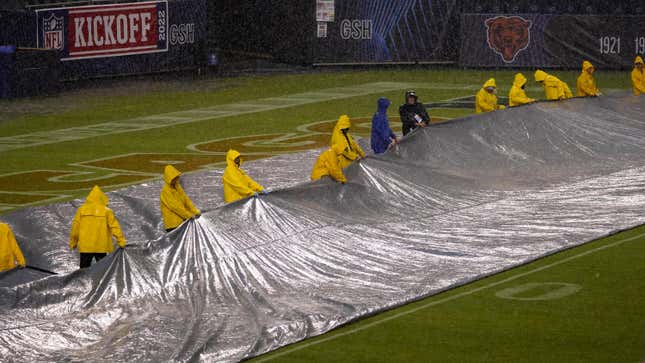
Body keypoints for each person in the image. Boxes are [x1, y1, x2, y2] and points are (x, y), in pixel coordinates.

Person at [69, 186, 126, 268]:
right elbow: (115, 227)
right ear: (102, 197)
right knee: (102, 271)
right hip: (101, 247)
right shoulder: (107, 211)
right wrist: (121, 241)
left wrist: (73, 242)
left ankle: (84, 281)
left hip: (86, 247)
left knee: (83, 272)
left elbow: (75, 227)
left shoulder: (81, 210)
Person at [160, 165, 200, 232]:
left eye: (176, 178)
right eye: (174, 178)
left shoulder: (178, 187)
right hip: (173, 224)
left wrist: (195, 211)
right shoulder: (166, 191)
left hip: (182, 221)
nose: (175, 180)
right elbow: (175, 207)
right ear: (169, 178)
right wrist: (189, 215)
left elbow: (186, 200)